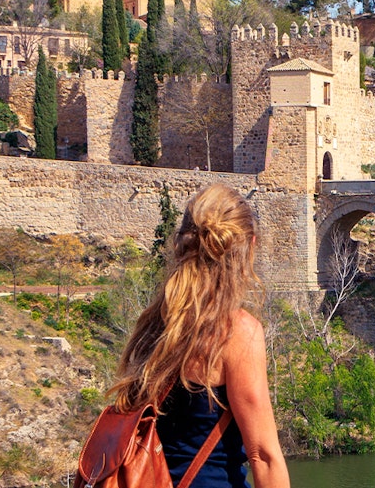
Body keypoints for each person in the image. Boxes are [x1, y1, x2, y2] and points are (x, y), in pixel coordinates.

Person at [109, 183, 290, 488]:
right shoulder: (235, 333)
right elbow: (263, 456)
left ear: (182, 242)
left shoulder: (155, 321)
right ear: (251, 245)